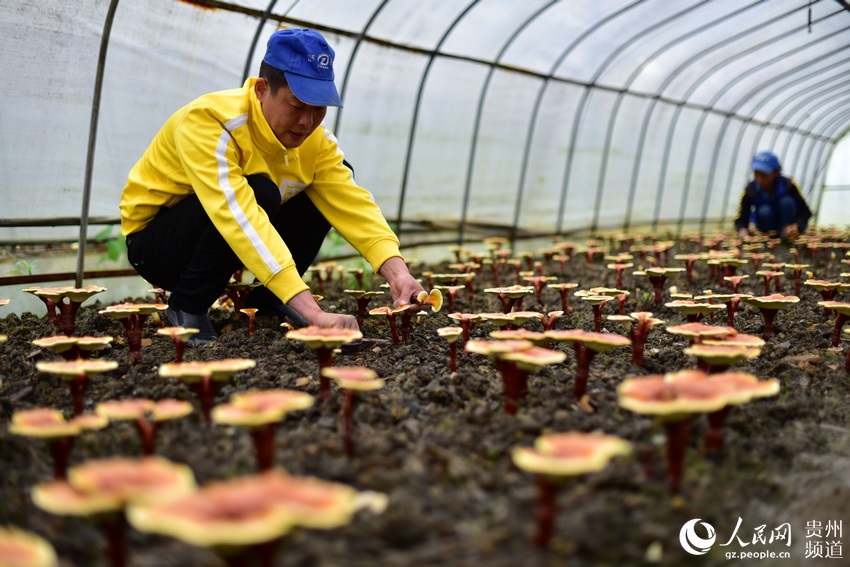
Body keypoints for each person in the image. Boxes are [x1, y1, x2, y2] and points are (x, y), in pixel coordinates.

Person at [119, 28, 424, 345]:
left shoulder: (316, 142)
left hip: (225, 241)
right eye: (296, 105)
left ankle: (267, 303)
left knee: (321, 193)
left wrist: (398, 272)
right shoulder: (209, 121)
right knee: (259, 193)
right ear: (263, 89)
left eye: (318, 108)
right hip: (156, 246)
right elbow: (237, 215)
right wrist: (312, 311)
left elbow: (353, 205)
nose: (307, 121)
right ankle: (187, 307)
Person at [735, 151, 812, 241]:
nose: (759, 180)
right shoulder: (750, 190)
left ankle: (787, 236)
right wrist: (743, 230)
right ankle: (770, 238)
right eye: (756, 174)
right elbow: (741, 218)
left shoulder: (788, 185)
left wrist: (796, 225)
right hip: (767, 226)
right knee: (764, 211)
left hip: (788, 225)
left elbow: (805, 212)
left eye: (764, 175)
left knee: (786, 202)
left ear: (775, 173)